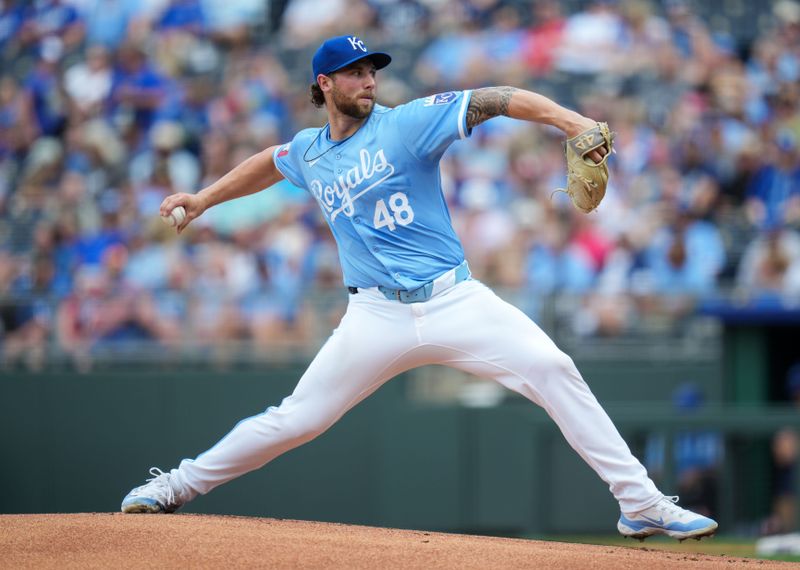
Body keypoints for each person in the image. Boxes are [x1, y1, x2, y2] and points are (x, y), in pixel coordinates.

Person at [120, 34, 718, 541]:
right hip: (374, 317)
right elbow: (269, 161)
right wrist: (202, 198)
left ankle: (639, 503)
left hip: (455, 299)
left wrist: (573, 121)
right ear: (324, 83)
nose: (369, 80)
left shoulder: (407, 123)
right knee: (297, 419)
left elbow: (498, 98)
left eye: (372, 70)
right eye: (354, 72)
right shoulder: (310, 150)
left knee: (553, 367)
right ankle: (176, 485)